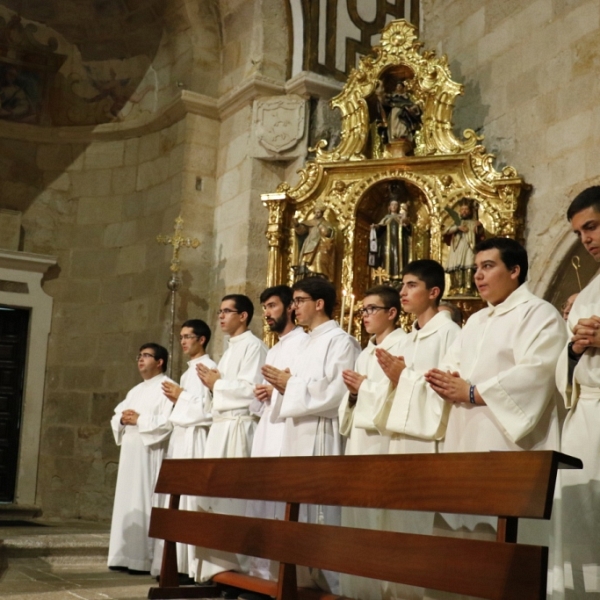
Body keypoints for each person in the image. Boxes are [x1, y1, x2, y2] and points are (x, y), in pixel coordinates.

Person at [264, 277, 360, 592]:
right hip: (296, 432)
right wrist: (283, 384)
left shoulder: (340, 341)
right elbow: (295, 384)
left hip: (321, 432)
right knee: (297, 510)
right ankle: (301, 580)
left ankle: (329, 582)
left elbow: (336, 392)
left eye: (299, 300)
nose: (294, 307)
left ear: (319, 304)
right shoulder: (305, 343)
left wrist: (288, 385)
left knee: (320, 510)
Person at [337, 285, 405, 600]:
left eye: (371, 309)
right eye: (362, 310)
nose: (364, 316)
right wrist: (353, 395)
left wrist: (363, 388)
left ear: (392, 313)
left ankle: (385, 590)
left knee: (381, 518)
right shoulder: (365, 352)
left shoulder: (403, 345)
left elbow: (397, 398)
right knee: (358, 519)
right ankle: (360, 589)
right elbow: (352, 402)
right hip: (359, 443)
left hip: (382, 442)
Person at [197, 294, 267, 582]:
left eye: (228, 311)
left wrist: (217, 384)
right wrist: (214, 387)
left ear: (244, 316)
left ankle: (238, 565)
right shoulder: (228, 350)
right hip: (221, 428)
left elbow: (251, 390)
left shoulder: (254, 347)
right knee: (215, 499)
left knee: (234, 500)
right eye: (220, 311)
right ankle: (217, 565)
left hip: (238, 429)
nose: (221, 316)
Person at [554, 186, 600, 598]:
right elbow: (562, 371)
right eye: (580, 232)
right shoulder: (586, 294)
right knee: (583, 526)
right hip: (585, 422)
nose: (587, 239)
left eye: (593, 226)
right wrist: (575, 348)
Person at [247, 285, 307, 582]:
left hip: (286, 431)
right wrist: (261, 392)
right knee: (262, 502)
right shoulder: (274, 348)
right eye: (265, 309)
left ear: (289, 308)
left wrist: (278, 388)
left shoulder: (304, 343)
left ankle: (279, 575)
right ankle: (260, 572)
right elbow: (262, 396)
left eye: (272, 306)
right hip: (266, 429)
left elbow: (300, 386)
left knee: (280, 504)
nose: (267, 314)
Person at [151, 320, 216, 582]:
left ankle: (192, 568)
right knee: (176, 502)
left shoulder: (208, 368)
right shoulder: (188, 372)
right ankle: (177, 564)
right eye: (181, 337)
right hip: (181, 438)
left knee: (191, 502)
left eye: (188, 337)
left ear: (202, 339)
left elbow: (208, 410)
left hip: (196, 439)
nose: (184, 342)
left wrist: (181, 397)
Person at [377, 260, 461, 454]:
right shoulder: (407, 340)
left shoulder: (450, 333)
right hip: (401, 436)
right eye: (403, 285)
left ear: (433, 293)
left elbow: (449, 391)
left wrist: (403, 377)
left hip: (430, 440)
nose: (402, 292)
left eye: (412, 285)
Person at [108, 343, 173, 574]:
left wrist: (141, 420)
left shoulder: (168, 387)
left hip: (149, 454)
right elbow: (117, 415)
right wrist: (123, 420)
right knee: (128, 499)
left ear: (160, 361)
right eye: (139, 356)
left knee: (144, 499)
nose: (140, 360)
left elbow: (169, 423)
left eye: (146, 356)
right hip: (130, 454)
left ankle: (143, 558)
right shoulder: (135, 390)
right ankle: (124, 556)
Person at [443, 201, 485, 295]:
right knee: (456, 266)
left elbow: (480, 235)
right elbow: (445, 232)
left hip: (469, 247)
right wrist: (457, 228)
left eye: (466, 209)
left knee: (469, 265)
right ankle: (455, 288)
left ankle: (469, 288)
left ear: (470, 211)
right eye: (462, 210)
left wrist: (479, 227)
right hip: (456, 249)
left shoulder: (474, 222)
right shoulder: (457, 223)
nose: (464, 211)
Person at [369, 197, 412, 279]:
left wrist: (406, 222)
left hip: (400, 245)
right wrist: (374, 227)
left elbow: (409, 230)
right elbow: (379, 229)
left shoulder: (401, 218)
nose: (394, 206)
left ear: (398, 207)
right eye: (392, 204)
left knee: (400, 259)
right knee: (387, 259)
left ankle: (399, 277)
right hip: (387, 244)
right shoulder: (386, 218)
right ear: (389, 207)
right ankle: (387, 277)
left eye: (396, 205)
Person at [293, 206, 336, 279]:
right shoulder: (310, 223)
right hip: (309, 244)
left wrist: (324, 230)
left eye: (318, 212)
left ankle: (319, 278)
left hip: (321, 246)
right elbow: (301, 231)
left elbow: (329, 234)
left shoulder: (326, 223)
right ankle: (308, 277)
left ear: (322, 213)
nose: (316, 214)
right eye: (315, 212)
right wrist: (297, 225)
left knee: (319, 263)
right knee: (307, 263)